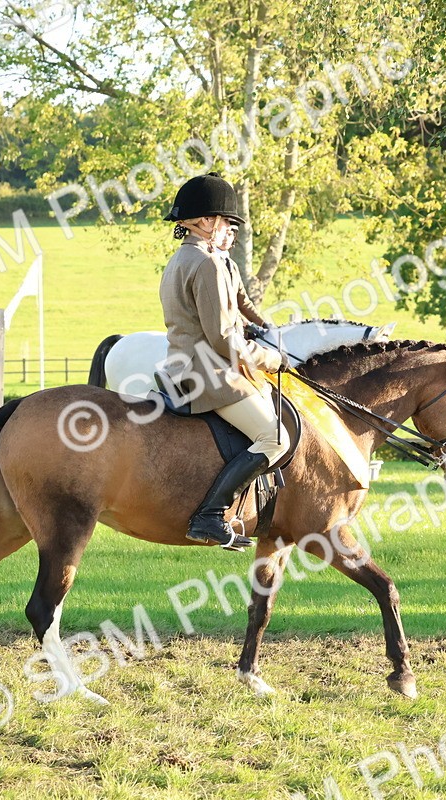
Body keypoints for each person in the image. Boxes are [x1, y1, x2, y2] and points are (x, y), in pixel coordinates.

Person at [158, 173, 290, 551]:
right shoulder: (208, 264)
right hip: (210, 374)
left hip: (181, 367)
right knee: (275, 438)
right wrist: (270, 358)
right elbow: (222, 338)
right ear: (205, 222)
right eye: (224, 221)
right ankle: (209, 516)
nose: (229, 229)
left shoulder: (180, 260)